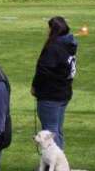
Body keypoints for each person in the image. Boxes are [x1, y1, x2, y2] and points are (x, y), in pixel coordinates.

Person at [30, 16, 78, 152]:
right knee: (57, 130)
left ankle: (54, 164)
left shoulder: (53, 48)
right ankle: (59, 163)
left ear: (52, 29)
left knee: (50, 131)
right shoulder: (69, 45)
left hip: (51, 94)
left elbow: (43, 71)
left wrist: (34, 86)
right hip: (64, 91)